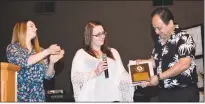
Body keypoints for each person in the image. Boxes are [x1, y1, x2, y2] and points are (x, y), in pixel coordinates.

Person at [136, 7, 199, 102]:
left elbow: (183, 64)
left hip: (184, 93)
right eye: (154, 28)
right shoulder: (159, 41)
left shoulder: (184, 38)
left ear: (170, 23)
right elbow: (156, 60)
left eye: (159, 28)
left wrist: (159, 77)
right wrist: (143, 62)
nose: (156, 32)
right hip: (164, 93)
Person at [71, 21, 134, 102]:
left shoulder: (113, 52)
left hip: (113, 97)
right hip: (93, 98)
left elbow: (121, 75)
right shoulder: (82, 54)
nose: (102, 36)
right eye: (98, 35)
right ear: (89, 36)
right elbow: (76, 78)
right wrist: (95, 72)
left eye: (103, 33)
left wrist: (135, 78)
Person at [6, 20, 64, 102]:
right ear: (22, 29)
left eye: (35, 26)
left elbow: (48, 76)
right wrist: (47, 51)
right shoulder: (13, 48)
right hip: (20, 98)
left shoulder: (40, 51)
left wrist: (51, 63)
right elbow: (25, 62)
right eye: (31, 26)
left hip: (38, 98)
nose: (36, 29)